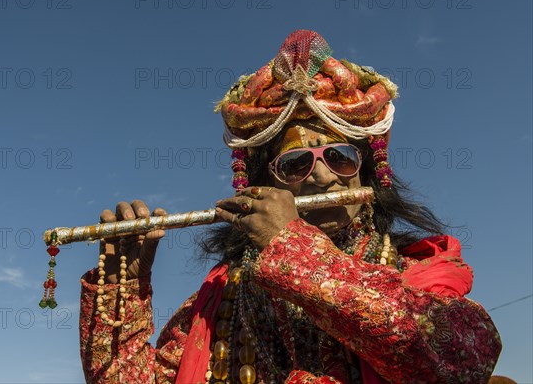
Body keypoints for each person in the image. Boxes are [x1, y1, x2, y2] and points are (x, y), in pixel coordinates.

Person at [79, 30, 502, 383]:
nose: (321, 176)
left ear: (368, 173)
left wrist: (290, 247)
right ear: (266, 184)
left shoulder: (416, 275)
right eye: (296, 164)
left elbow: (465, 358)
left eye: (339, 157)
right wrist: (122, 290)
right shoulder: (224, 295)